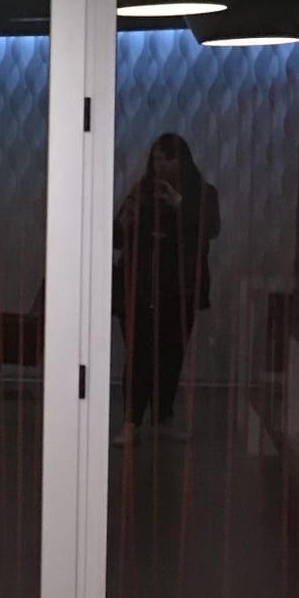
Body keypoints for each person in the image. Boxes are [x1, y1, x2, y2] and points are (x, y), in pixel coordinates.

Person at [113, 132, 221, 441]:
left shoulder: (203, 193)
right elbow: (117, 239)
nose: (160, 166)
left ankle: (163, 415)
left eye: (167, 160)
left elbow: (210, 229)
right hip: (139, 285)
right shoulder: (141, 192)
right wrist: (125, 221)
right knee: (138, 353)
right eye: (156, 160)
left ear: (182, 161)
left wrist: (179, 203)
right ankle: (131, 420)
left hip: (179, 288)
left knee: (172, 354)